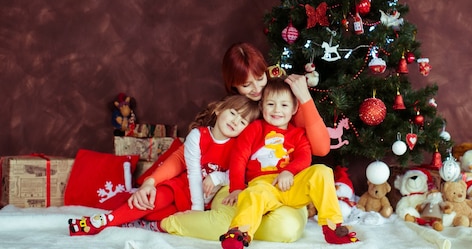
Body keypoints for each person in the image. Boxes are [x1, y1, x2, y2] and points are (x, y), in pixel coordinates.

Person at [159, 42, 331, 243]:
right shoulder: (236, 110)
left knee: (287, 229)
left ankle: (241, 228)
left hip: (284, 187)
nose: (257, 88)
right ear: (234, 85)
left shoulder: (283, 101)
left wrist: (305, 98)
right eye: (246, 84)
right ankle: (186, 224)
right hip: (239, 185)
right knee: (226, 222)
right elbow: (191, 150)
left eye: (259, 79)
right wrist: (151, 182)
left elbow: (321, 149)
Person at [67, 95, 259, 236]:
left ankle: (141, 224)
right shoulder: (198, 136)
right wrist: (197, 210)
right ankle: (102, 221)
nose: (235, 122)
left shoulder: (238, 146)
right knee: (153, 201)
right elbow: (192, 173)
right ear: (219, 110)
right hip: (183, 187)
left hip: (209, 197)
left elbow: (239, 174)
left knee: (155, 216)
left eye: (242, 121)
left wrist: (217, 178)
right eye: (233, 113)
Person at [219, 77, 358, 249]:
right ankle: (239, 233)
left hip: (291, 186)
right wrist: (237, 188)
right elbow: (239, 157)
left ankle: (333, 227)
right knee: (252, 194)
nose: (277, 110)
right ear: (262, 106)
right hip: (264, 186)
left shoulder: (298, 134)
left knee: (322, 171)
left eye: (284, 105)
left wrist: (289, 171)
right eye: (271, 104)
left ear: (294, 109)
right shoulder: (255, 129)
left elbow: (304, 158)